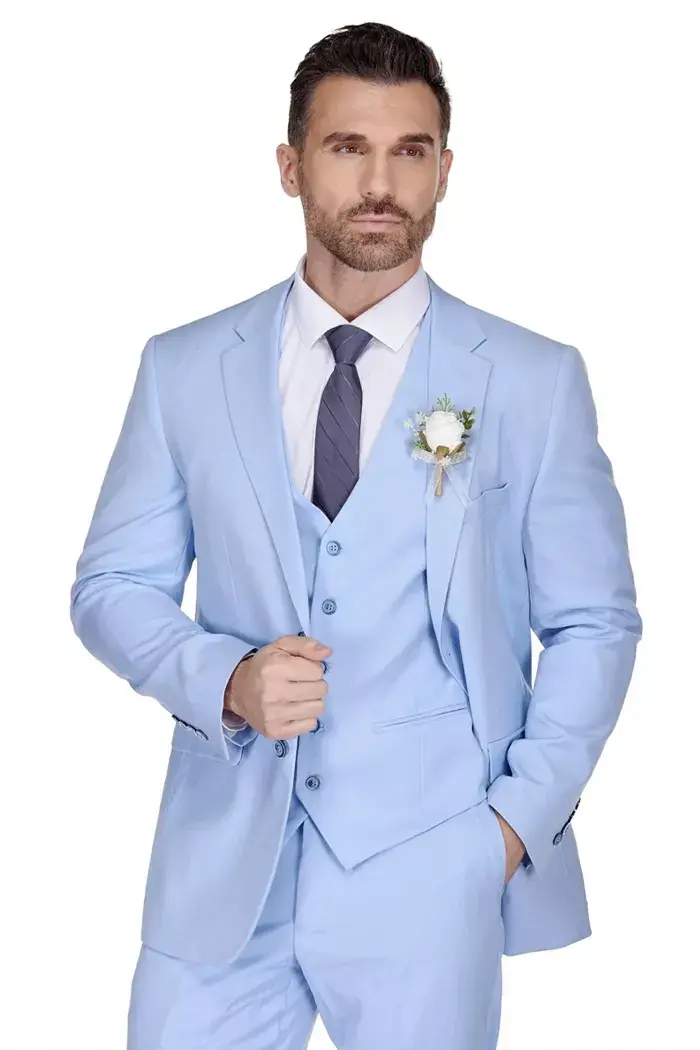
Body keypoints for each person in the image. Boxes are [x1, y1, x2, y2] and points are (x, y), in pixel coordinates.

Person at [69, 20, 643, 1050]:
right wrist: (225, 678)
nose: (380, 183)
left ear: (445, 171)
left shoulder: (532, 379)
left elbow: (594, 623)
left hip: (433, 865)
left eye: (409, 151)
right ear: (291, 166)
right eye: (347, 148)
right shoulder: (183, 368)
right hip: (220, 874)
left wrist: (510, 829)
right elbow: (111, 585)